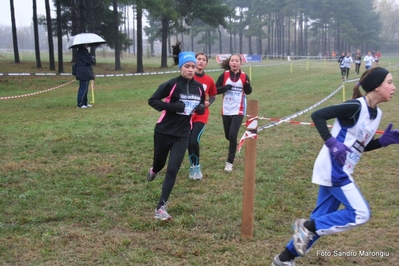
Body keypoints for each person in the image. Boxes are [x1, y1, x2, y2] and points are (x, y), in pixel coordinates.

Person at [271, 67, 399, 266]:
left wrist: (382, 142)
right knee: (360, 214)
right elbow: (318, 115)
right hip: (333, 169)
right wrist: (331, 143)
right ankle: (308, 226)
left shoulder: (377, 114)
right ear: (376, 86)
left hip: (343, 170)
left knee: (322, 218)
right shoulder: (355, 107)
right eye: (389, 82)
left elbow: (359, 146)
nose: (394, 87)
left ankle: (285, 258)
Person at [147, 50, 205, 221]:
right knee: (160, 164)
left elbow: (200, 104)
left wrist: (201, 108)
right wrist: (173, 107)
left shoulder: (199, 88)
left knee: (173, 169)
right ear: (181, 68)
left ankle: (161, 208)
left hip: (183, 134)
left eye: (193, 67)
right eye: (187, 66)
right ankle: (154, 170)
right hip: (163, 131)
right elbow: (153, 100)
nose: (191, 70)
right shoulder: (171, 84)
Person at [215, 53, 252, 172]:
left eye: (237, 61)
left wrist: (247, 85)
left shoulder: (244, 76)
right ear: (229, 63)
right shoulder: (224, 75)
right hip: (226, 109)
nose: (234, 63)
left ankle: (229, 162)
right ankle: (233, 143)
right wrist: (225, 88)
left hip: (239, 109)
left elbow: (249, 91)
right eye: (232, 61)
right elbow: (215, 90)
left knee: (232, 134)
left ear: (240, 63)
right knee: (228, 135)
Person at [188, 52, 217, 180]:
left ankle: (197, 168)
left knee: (194, 140)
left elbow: (213, 95)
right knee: (189, 142)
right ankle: (193, 167)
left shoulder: (209, 80)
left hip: (201, 115)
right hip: (187, 114)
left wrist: (208, 103)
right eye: (198, 59)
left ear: (206, 63)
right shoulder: (188, 77)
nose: (201, 61)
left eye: (203, 60)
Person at [75, 44, 95, 108]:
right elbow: (90, 60)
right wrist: (92, 57)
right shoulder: (82, 52)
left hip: (84, 72)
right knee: (83, 88)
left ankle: (85, 103)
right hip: (83, 72)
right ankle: (80, 104)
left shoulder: (83, 51)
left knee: (85, 88)